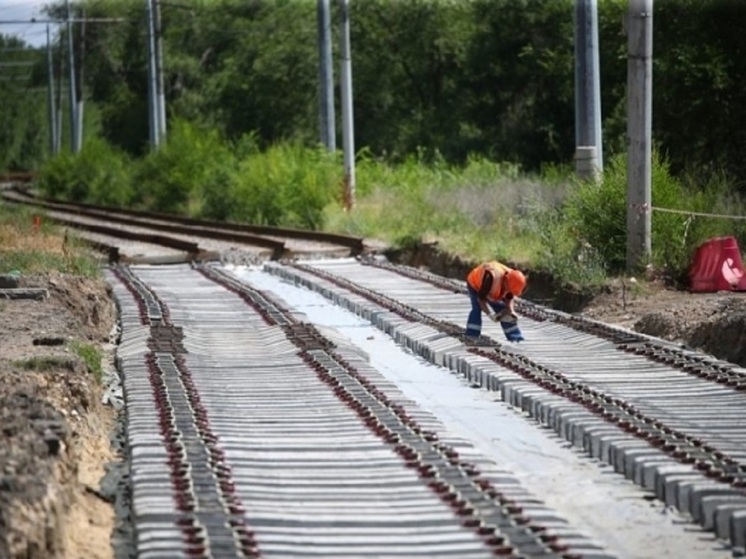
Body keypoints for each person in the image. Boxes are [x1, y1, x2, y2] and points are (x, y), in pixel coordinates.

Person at [465, 261, 526, 342]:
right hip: (475, 284)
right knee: (477, 309)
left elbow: (509, 297)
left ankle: (515, 337)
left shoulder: (512, 279)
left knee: (505, 313)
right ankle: (471, 335)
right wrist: (490, 314)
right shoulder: (490, 278)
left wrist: (511, 311)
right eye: (509, 289)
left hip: (492, 290)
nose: (509, 291)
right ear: (506, 281)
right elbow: (481, 299)